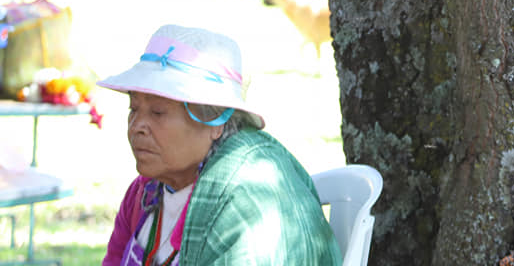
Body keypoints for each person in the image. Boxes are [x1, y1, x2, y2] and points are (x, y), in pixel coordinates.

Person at [99, 24, 342, 266]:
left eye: (158, 112)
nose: (137, 126)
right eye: (133, 109)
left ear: (214, 120)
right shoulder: (143, 195)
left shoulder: (244, 205)